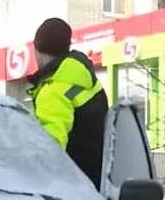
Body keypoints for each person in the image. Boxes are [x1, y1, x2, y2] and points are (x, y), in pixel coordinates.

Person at [26, 17, 109, 189]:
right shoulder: (85, 79)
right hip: (97, 185)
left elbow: (48, 150)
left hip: (70, 191)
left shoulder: (53, 90)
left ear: (36, 50)